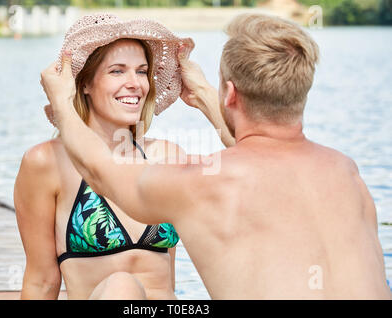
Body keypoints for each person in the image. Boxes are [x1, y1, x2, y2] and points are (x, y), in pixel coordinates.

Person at [40, 13, 392, 299]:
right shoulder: (347, 176)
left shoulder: (202, 182)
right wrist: (211, 98)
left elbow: (100, 171)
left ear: (231, 92)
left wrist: (61, 103)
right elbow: (262, 152)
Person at [14, 14, 202, 300]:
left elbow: (170, 281)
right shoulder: (47, 163)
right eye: (117, 71)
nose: (135, 83)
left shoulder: (167, 156)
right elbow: (41, 282)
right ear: (85, 84)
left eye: (141, 71)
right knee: (121, 287)